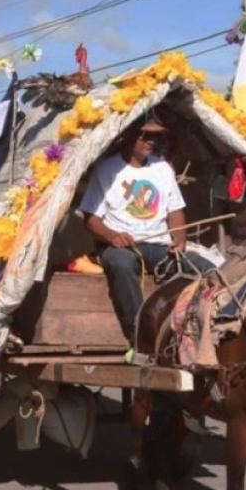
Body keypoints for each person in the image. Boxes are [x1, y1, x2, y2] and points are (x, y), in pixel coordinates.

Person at [79, 113, 209, 349]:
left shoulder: (162, 168)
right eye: (146, 136)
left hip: (160, 248)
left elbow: (175, 211)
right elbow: (91, 219)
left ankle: (202, 332)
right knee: (120, 264)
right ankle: (140, 337)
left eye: (156, 137)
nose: (152, 142)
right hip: (124, 248)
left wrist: (179, 239)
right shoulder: (106, 170)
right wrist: (112, 237)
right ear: (128, 137)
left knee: (205, 268)